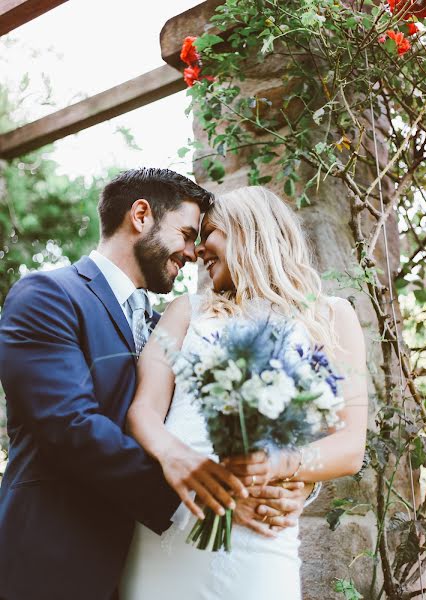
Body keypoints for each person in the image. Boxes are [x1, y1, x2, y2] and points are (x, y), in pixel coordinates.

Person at [0, 169, 310, 600]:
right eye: (185, 233)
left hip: (140, 561)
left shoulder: (168, 324)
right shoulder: (48, 295)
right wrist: (199, 498)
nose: (191, 251)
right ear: (141, 215)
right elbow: (69, 426)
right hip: (55, 560)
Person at [120, 186, 369, 599]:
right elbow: (143, 411)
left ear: (250, 232)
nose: (198, 252)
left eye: (210, 233)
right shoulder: (186, 311)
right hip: (174, 523)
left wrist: (282, 465)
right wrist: (185, 465)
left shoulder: (331, 316)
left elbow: (349, 446)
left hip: (260, 535)